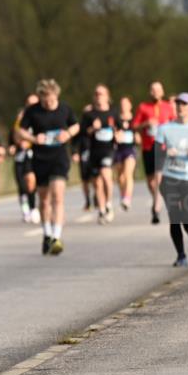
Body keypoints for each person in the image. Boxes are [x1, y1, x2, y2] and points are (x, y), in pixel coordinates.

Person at [17, 79, 79, 255]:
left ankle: (56, 237)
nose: (48, 104)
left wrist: (67, 133)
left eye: (51, 100)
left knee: (58, 197)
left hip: (59, 158)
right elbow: (20, 130)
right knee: (44, 200)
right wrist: (34, 139)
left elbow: (76, 126)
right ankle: (46, 234)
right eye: (44, 101)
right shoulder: (33, 111)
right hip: (40, 159)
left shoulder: (65, 109)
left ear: (56, 96)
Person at [155, 93, 188, 267]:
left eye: (184, 104)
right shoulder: (164, 128)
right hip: (170, 178)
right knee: (174, 218)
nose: (180, 107)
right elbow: (155, 154)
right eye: (178, 103)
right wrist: (165, 153)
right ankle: (181, 255)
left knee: (187, 217)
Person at [132, 81, 176, 224]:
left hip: (162, 147)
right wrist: (146, 124)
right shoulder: (143, 107)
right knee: (151, 181)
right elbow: (134, 126)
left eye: (158, 90)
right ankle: (157, 198)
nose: (155, 92)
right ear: (150, 92)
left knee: (158, 177)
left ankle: (156, 208)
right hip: (147, 147)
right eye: (153, 90)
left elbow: (175, 125)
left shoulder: (168, 107)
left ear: (162, 92)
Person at [81, 84, 117, 224]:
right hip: (93, 151)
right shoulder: (89, 115)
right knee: (97, 183)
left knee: (106, 176)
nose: (98, 96)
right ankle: (101, 210)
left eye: (101, 94)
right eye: (96, 94)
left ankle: (108, 203)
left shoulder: (113, 113)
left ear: (107, 96)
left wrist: (118, 135)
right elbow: (82, 133)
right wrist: (92, 129)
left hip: (108, 150)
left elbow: (120, 129)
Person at [10, 94, 40, 223]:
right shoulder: (20, 119)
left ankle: (33, 208)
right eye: (29, 103)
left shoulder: (40, 117)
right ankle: (25, 209)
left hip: (33, 155)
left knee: (30, 181)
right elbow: (13, 137)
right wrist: (15, 144)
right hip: (20, 156)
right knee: (22, 185)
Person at [114, 96, 138, 210]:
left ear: (130, 105)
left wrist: (138, 137)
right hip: (118, 149)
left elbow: (138, 132)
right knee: (120, 177)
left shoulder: (134, 119)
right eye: (121, 104)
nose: (123, 106)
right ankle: (123, 194)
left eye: (125, 104)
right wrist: (115, 135)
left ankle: (127, 198)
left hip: (130, 149)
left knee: (128, 173)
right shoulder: (116, 119)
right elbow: (112, 131)